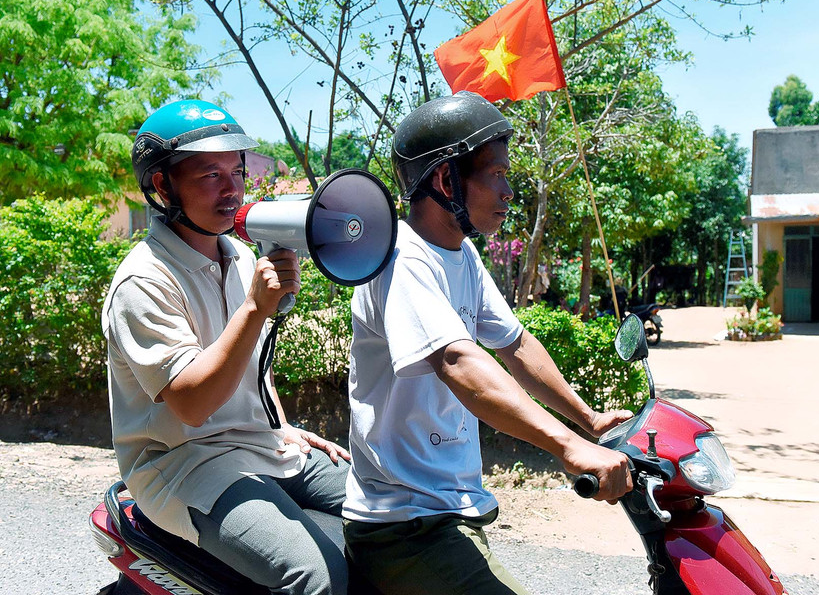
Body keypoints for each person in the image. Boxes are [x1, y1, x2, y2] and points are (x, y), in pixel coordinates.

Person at [342, 91, 634, 595]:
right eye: (496, 174)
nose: (509, 191)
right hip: (402, 524)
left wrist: (588, 421)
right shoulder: (401, 260)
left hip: (445, 510)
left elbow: (514, 344)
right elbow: (458, 360)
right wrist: (567, 447)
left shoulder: (460, 255)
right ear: (444, 180)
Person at [102, 99, 350, 595]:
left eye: (236, 171)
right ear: (161, 186)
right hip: (183, 463)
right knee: (316, 577)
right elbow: (192, 405)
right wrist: (256, 308)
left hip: (261, 445)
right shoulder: (142, 280)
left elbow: (254, 367)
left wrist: (281, 428)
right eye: (210, 174)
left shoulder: (239, 256)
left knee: (393, 512)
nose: (232, 188)